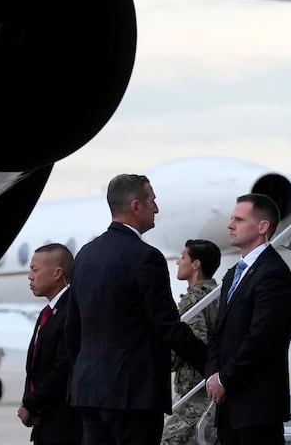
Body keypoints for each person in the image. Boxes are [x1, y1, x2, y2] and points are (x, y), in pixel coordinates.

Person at [65, 174, 207, 445]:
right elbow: (167, 326)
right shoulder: (146, 258)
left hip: (88, 391)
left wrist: (83, 372)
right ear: (135, 206)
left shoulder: (85, 255)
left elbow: (73, 328)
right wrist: (211, 362)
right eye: (152, 200)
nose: (156, 208)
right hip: (133, 395)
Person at [205, 194, 291, 445]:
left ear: (262, 227)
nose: (230, 225)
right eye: (231, 218)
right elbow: (218, 331)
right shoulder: (232, 275)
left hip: (257, 410)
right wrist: (213, 374)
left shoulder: (273, 274)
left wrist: (224, 379)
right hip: (229, 408)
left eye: (238, 219)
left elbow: (263, 340)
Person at [18, 243, 82, 445]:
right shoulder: (49, 312)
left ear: (57, 273)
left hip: (65, 424)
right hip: (45, 420)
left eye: (35, 270)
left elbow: (62, 369)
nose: (30, 276)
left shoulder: (71, 311)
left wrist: (30, 404)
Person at [162, 239, 222, 445]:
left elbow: (192, 343)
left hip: (194, 392)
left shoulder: (194, 300)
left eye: (183, 257)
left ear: (196, 264)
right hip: (210, 388)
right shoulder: (218, 295)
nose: (178, 262)